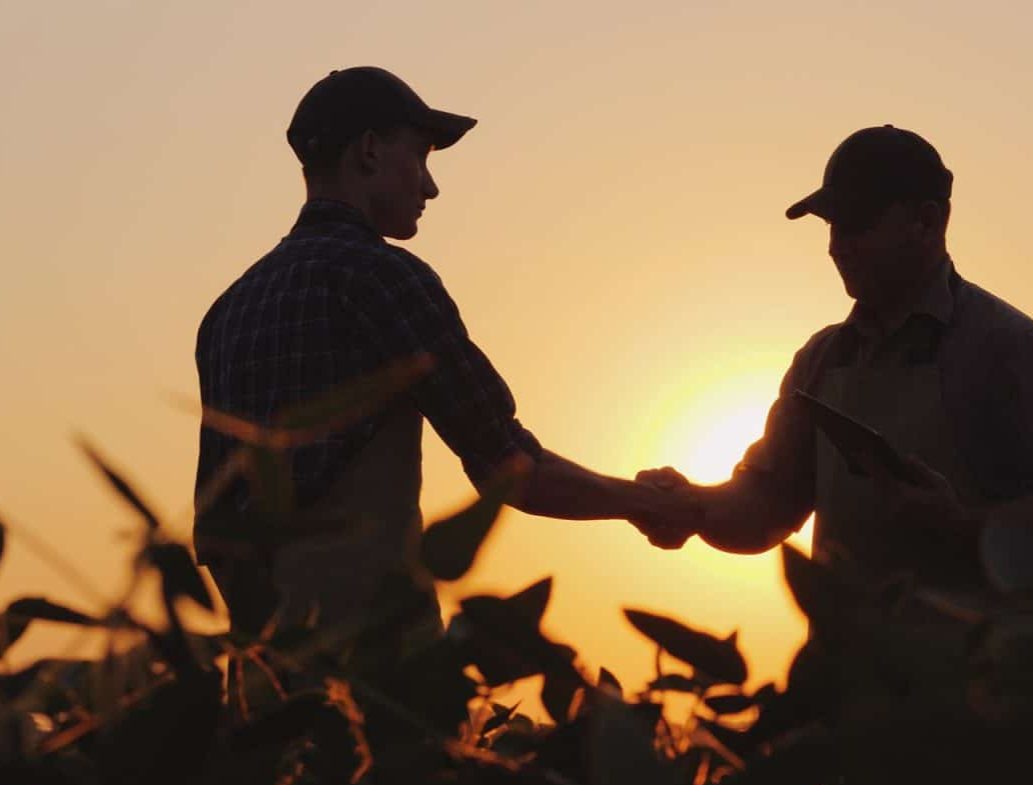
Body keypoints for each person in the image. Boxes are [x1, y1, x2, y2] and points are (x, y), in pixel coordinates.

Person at [194, 66, 687, 635]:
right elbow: (510, 467)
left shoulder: (227, 311)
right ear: (371, 152)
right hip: (375, 674)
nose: (430, 186)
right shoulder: (383, 278)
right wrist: (649, 504)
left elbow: (214, 533)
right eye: (422, 157)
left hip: (261, 686)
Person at [633, 125, 1033, 587]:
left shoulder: (1011, 348)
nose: (836, 247)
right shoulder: (820, 360)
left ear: (928, 221)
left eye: (857, 224)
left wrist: (964, 524)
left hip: (974, 665)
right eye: (832, 225)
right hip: (845, 665)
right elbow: (766, 511)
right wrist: (691, 506)